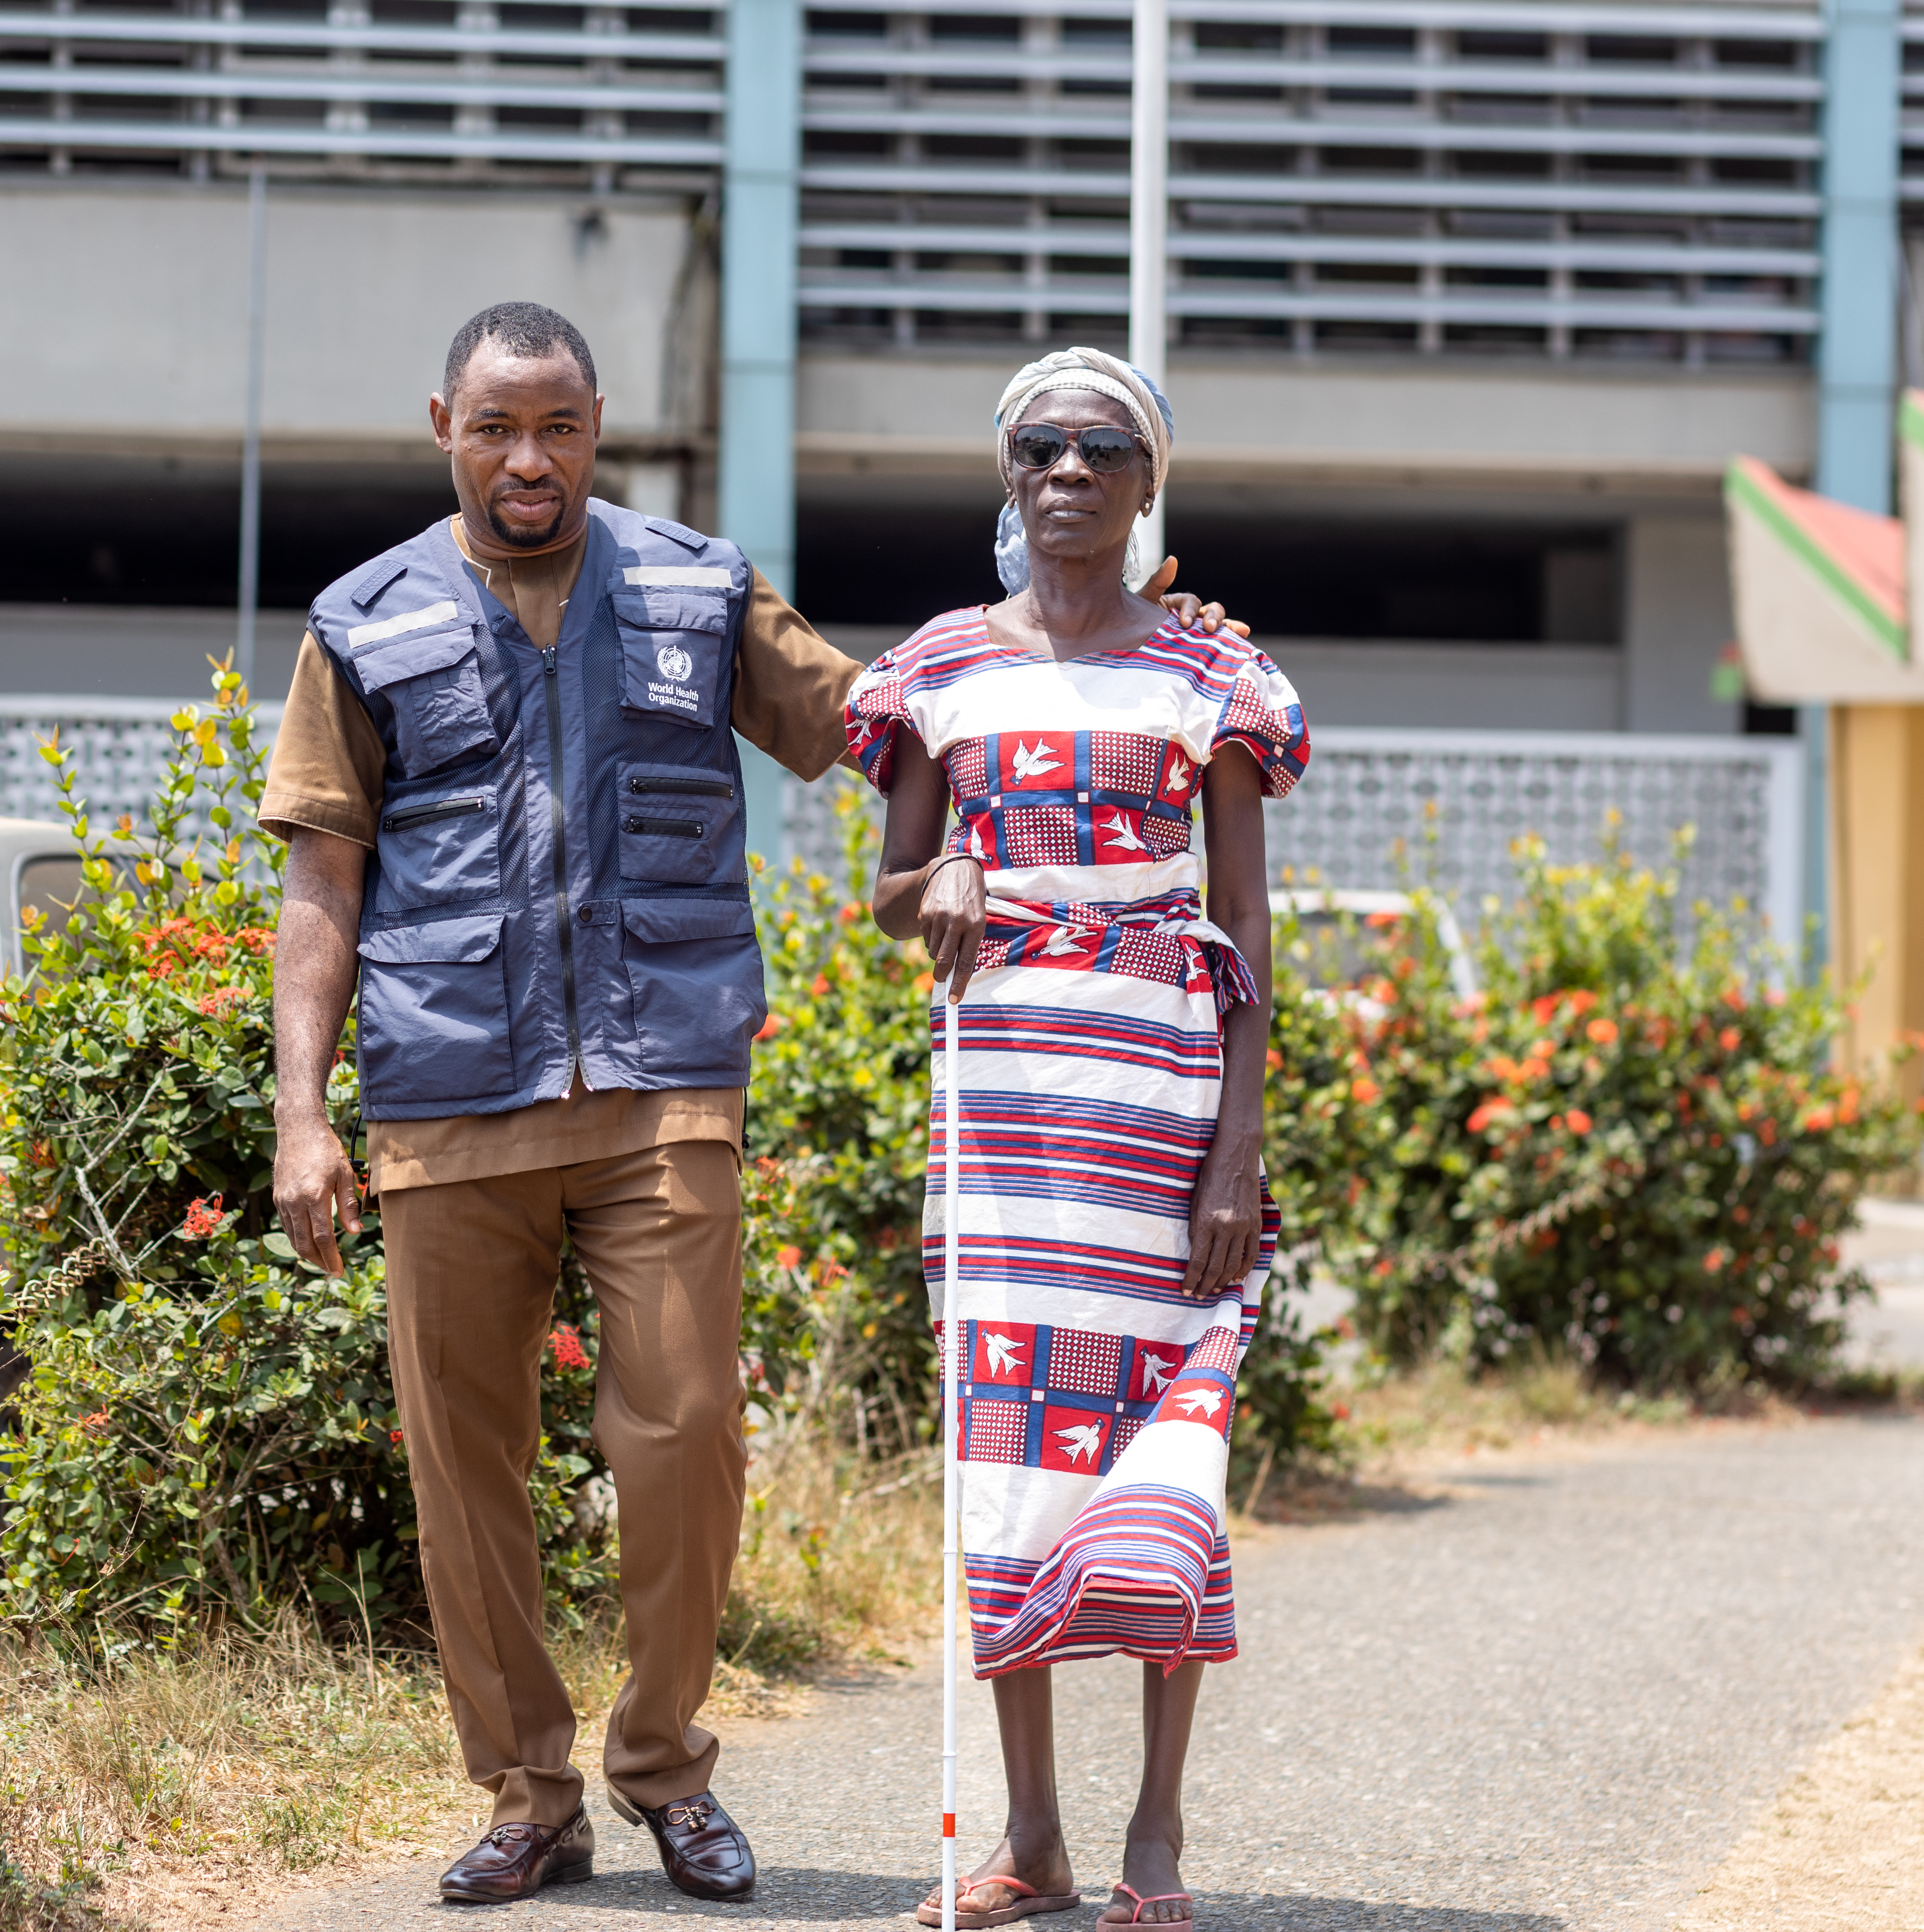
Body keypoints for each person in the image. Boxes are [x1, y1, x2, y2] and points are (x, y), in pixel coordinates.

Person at [260, 304, 1245, 1907]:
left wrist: (1124, 617)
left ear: (601, 427)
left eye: (561, 428)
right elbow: (322, 878)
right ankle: (528, 1792)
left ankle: (661, 1762)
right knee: (466, 1463)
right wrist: (307, 1119)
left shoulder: (695, 591)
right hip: (446, 1100)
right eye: (498, 428)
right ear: (443, 420)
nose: (530, 460)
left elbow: (908, 727)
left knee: (692, 1431)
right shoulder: (362, 621)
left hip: (665, 1090)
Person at [846, 348, 1308, 1930]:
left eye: (1102, 449)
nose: (1067, 471)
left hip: (1168, 1116)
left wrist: (1239, 1143)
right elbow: (895, 890)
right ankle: (1032, 1840)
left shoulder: (1211, 681)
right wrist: (941, 894)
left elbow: (1245, 920)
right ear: (1005, 471)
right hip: (1003, 1115)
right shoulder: (940, 673)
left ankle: (1157, 1834)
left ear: (1144, 482)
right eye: (1040, 445)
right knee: (1009, 1467)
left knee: (1170, 1449)